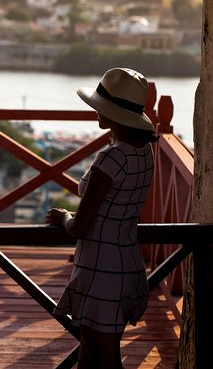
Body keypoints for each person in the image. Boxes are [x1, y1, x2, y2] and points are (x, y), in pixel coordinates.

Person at [46, 67, 157, 369]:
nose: (96, 110)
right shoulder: (144, 152)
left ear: (113, 113)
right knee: (89, 361)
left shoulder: (112, 157)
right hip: (125, 262)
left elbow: (80, 225)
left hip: (100, 270)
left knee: (105, 363)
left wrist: (63, 217)